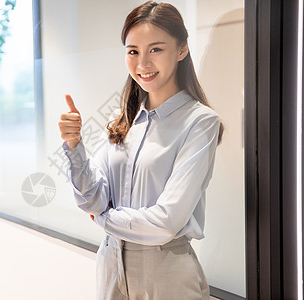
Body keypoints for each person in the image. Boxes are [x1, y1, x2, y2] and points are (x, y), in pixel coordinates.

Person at [58, 1, 224, 299]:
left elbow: (167, 221)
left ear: (182, 49)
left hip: (165, 269)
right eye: (133, 51)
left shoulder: (200, 122)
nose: (142, 64)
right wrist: (74, 145)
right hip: (110, 262)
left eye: (156, 49)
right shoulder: (121, 121)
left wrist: (105, 220)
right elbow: (93, 199)